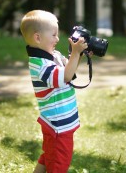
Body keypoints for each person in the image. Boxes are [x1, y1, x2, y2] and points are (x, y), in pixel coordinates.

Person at [20, 10, 90, 173]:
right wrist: (75, 52)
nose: (57, 39)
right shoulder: (40, 65)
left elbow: (69, 71)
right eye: (53, 35)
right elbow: (65, 76)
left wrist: (79, 55)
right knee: (58, 164)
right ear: (38, 37)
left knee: (48, 157)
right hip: (58, 126)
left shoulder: (53, 56)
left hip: (60, 124)